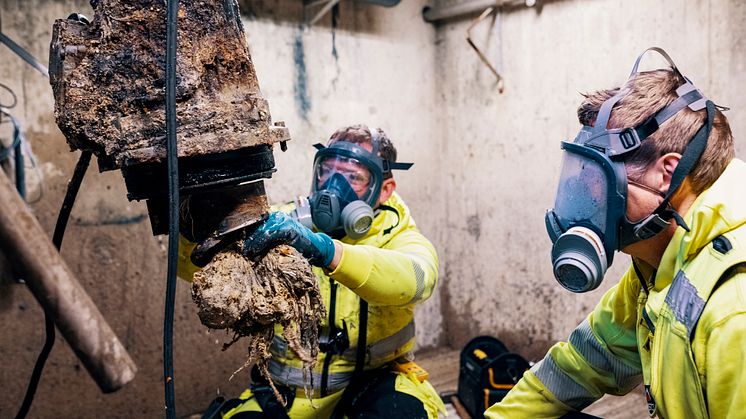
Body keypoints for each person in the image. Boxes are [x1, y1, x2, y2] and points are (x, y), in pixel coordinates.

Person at [487, 48, 746, 418]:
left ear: (665, 173)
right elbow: (583, 362)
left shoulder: (733, 307)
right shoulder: (661, 263)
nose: (587, 195)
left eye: (598, 177)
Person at [209, 125, 445, 418]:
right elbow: (202, 267)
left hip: (370, 388)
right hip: (284, 396)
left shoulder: (397, 234)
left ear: (384, 190)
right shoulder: (281, 227)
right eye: (327, 170)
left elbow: (418, 280)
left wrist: (328, 251)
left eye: (353, 177)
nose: (334, 185)